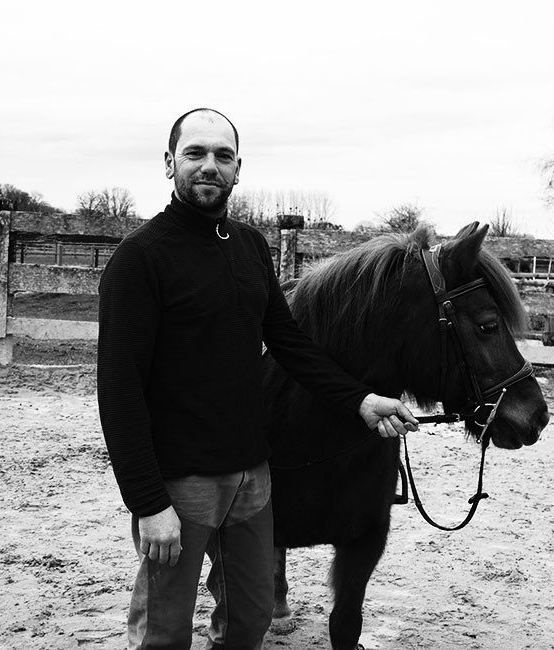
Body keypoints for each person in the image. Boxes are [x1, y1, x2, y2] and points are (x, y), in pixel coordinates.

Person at [96, 107, 418, 650]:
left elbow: (291, 345)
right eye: (195, 153)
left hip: (252, 477)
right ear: (170, 162)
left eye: (222, 156)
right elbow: (119, 390)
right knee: (164, 631)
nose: (209, 166)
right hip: (181, 480)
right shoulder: (140, 259)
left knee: (251, 621)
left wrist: (359, 400)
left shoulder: (248, 248)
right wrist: (147, 503)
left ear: (238, 168)